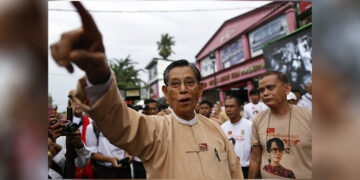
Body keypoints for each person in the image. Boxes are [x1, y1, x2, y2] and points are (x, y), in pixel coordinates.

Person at [50, 2, 243, 179]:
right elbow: (121, 124)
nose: (183, 89)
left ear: (200, 89)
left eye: (189, 82)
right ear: (166, 93)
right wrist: (99, 75)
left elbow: (235, 172)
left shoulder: (216, 129)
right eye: (175, 84)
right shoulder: (156, 130)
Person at [248, 71, 312, 179]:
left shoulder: (309, 116)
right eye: (262, 90)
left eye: (270, 87)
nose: (265, 93)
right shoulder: (258, 120)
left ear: (286, 89)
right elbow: (255, 158)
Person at [221, 95, 252, 179]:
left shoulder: (250, 125)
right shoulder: (222, 127)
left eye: (231, 106)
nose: (228, 109)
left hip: (246, 170)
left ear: (240, 109)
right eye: (226, 107)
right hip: (229, 170)